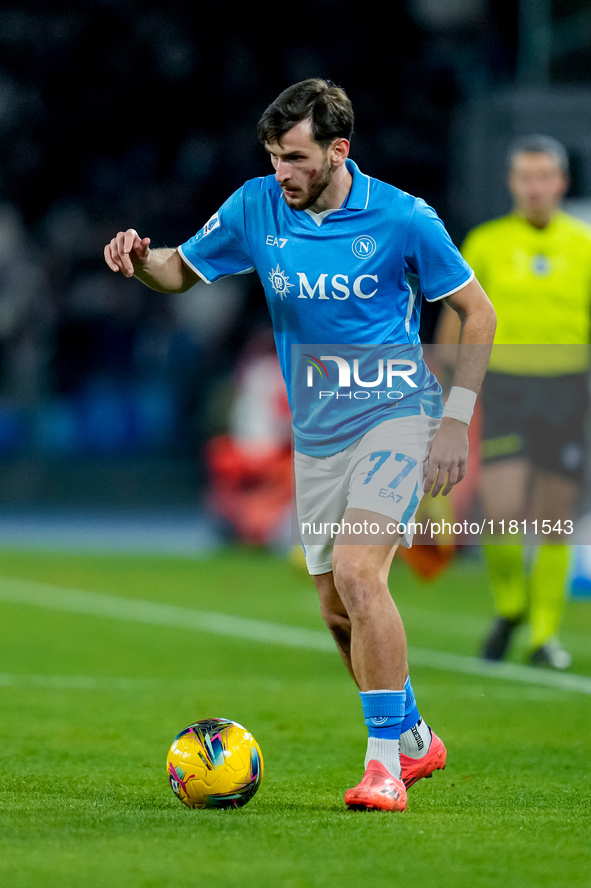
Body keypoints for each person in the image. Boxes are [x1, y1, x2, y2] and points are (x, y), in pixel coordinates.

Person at [104, 79, 496, 812]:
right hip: (316, 436)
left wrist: (452, 421)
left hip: (397, 415)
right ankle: (414, 739)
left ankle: (384, 768)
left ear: (337, 151)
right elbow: (181, 270)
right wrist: (140, 257)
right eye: (273, 155)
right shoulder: (256, 205)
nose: (279, 170)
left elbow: (476, 312)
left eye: (293, 156)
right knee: (337, 610)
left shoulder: (404, 218)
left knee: (357, 572)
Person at [439, 134, 591, 670]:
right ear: (511, 183)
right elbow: (455, 315)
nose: (535, 187)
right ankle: (511, 607)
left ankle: (542, 637)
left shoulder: (585, 243)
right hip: (504, 389)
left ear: (562, 182)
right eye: (525, 177)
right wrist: (443, 385)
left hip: (567, 392)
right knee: (500, 510)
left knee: (555, 518)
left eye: (544, 176)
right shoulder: (485, 242)